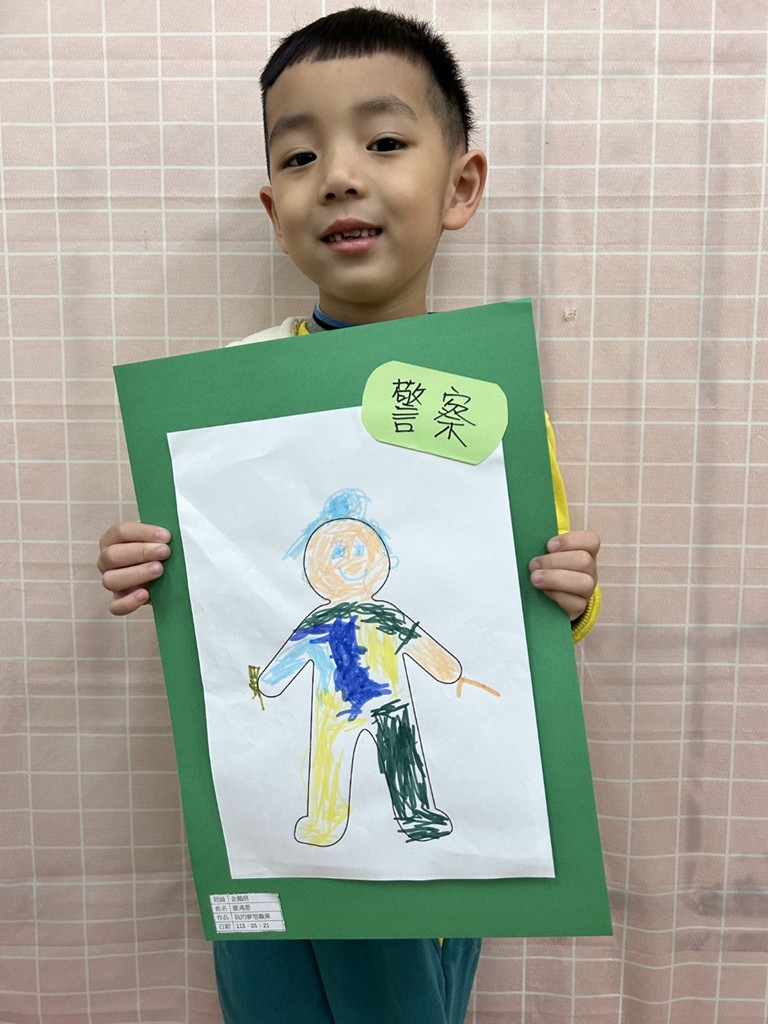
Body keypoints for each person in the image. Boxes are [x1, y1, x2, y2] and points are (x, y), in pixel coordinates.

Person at [96, 9, 601, 1023]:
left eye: (384, 141)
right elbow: (215, 588)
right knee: (268, 991)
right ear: (272, 205)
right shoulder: (227, 403)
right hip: (265, 828)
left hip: (433, 855)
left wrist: (572, 594)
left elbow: (535, 611)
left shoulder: (484, 410)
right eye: (299, 156)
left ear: (460, 186)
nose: (338, 176)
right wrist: (141, 560)